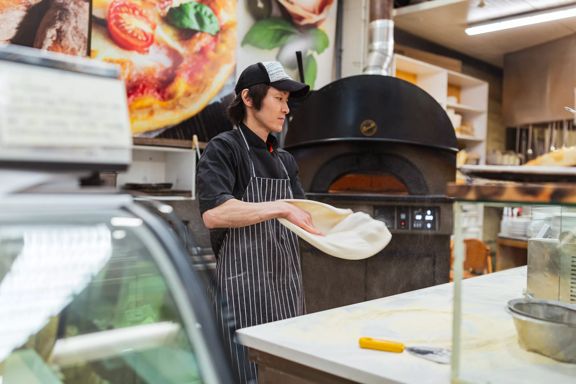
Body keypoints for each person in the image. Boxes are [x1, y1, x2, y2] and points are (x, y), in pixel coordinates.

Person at [196, 61, 322, 383]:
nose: (286, 109)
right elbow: (215, 213)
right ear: (249, 99)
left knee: (285, 372)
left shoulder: (284, 160)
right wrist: (279, 207)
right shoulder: (224, 149)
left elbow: (302, 212)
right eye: (279, 99)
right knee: (245, 375)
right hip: (242, 290)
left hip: (286, 287)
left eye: (287, 101)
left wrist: (351, 228)